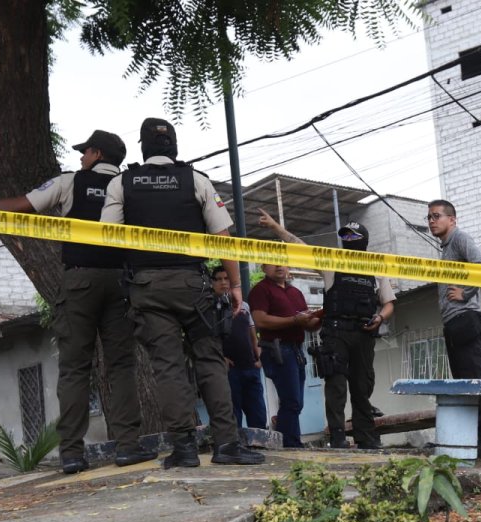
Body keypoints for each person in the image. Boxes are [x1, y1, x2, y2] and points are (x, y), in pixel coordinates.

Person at [0, 130, 149, 474]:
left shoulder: (70, 182)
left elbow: (16, 208)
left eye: (84, 152)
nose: (80, 158)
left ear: (96, 152)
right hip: (122, 281)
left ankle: (72, 454)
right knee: (121, 366)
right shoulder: (132, 185)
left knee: (75, 368)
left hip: (81, 281)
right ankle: (129, 447)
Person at [99, 117, 264, 467]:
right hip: (193, 287)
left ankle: (185, 449)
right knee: (209, 360)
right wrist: (235, 286)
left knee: (169, 368)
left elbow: (107, 236)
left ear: (143, 147)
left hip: (147, 288)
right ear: (174, 146)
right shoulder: (197, 180)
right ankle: (227, 445)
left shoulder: (121, 183)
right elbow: (223, 238)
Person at [258, 209, 396, 450]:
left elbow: (389, 303)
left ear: (363, 240)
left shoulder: (377, 265)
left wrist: (380, 318)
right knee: (337, 387)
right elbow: (300, 246)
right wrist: (275, 227)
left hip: (364, 334)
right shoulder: (331, 261)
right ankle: (338, 437)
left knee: (362, 389)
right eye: (346, 237)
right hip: (336, 333)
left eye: (354, 237)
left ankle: (366, 437)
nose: (349, 241)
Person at [426, 199, 481, 457]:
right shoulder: (446, 249)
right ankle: (473, 440)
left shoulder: (459, 239)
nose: (432, 221)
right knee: (463, 384)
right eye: (429, 217)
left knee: (477, 379)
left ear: (452, 220)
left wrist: (467, 293)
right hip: (453, 323)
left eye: (437, 216)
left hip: (466, 318)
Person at [248, 263, 322, 449]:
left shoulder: (295, 292)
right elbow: (260, 320)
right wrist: (294, 320)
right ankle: (290, 444)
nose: (279, 266)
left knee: (296, 402)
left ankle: (287, 442)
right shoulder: (261, 290)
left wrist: (320, 317)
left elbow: (308, 323)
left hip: (296, 349)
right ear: (264, 267)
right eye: (273, 262)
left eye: (282, 261)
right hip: (278, 349)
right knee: (291, 400)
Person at [212, 268, 267, 430]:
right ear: (212, 282)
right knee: (233, 415)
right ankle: (237, 449)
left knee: (258, 413)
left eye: (227, 278)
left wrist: (258, 357)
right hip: (230, 371)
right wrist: (220, 358)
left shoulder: (243, 305)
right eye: (219, 279)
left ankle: (261, 448)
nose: (223, 282)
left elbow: (252, 334)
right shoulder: (211, 307)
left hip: (251, 368)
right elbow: (207, 339)